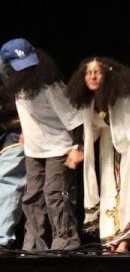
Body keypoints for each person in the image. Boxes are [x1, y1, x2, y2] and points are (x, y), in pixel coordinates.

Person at [66, 58, 130, 252]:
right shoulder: (91, 101)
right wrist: (79, 148)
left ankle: (124, 241)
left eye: (97, 72)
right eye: (88, 72)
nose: (92, 76)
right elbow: (92, 127)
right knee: (110, 192)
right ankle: (111, 240)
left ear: (107, 75)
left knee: (128, 193)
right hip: (110, 146)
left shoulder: (126, 96)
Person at [1, 40, 83, 252]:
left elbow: (76, 119)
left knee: (55, 194)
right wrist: (25, 132)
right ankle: (34, 245)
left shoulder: (50, 87)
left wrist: (78, 147)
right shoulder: (18, 88)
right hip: (33, 149)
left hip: (59, 148)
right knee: (32, 197)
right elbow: (27, 113)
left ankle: (65, 243)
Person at [0, 81, 24, 249]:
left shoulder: (20, 81)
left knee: (9, 183)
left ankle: (2, 238)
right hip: (7, 134)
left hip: (14, 138)